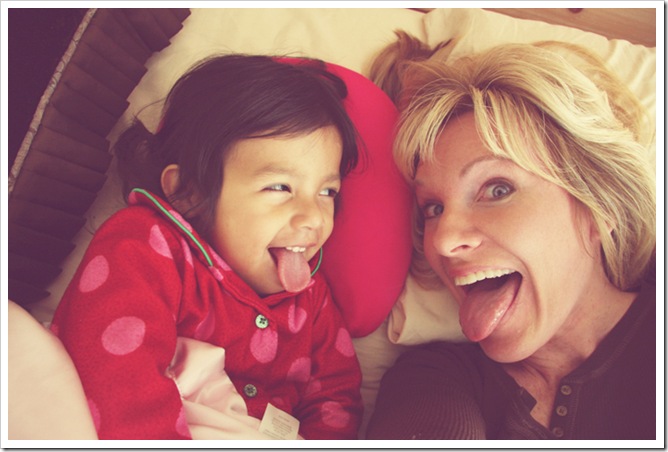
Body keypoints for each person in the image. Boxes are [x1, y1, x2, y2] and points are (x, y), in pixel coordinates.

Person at [50, 54, 364, 440]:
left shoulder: (312, 299)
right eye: (280, 187)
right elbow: (118, 383)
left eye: (327, 192)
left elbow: (336, 397)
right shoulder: (145, 246)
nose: (313, 217)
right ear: (189, 192)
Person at [365, 33, 656, 440]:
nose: (444, 240)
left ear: (598, 205)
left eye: (497, 189)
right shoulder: (433, 380)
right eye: (433, 208)